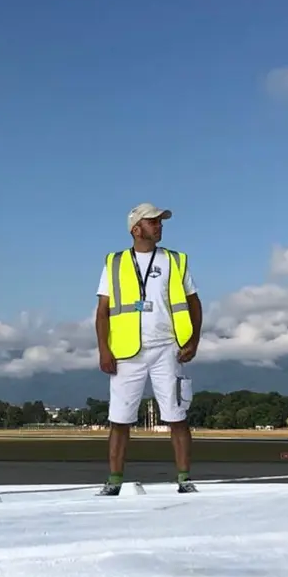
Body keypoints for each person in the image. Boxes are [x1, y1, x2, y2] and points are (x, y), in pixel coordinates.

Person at [93, 202, 203, 495]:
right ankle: (113, 481)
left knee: (177, 415)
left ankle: (184, 479)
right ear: (136, 228)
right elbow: (102, 311)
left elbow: (194, 302)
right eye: (153, 222)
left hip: (167, 347)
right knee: (119, 419)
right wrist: (104, 350)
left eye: (160, 221)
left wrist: (193, 340)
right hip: (127, 352)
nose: (159, 226)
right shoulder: (114, 263)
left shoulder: (175, 261)